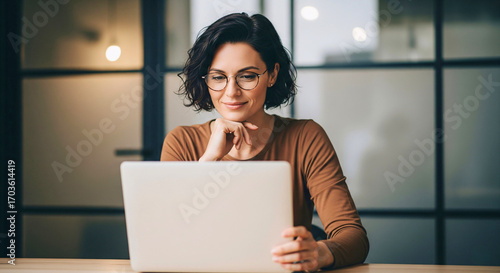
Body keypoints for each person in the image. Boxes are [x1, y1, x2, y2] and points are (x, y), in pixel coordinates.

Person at [161, 12, 369, 271]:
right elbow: (167, 238)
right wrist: (209, 162)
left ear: (272, 75)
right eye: (218, 77)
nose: (231, 91)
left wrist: (318, 252)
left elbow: (353, 236)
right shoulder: (182, 142)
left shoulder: (305, 137)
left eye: (247, 76)